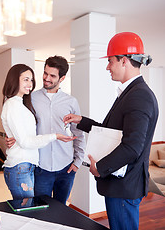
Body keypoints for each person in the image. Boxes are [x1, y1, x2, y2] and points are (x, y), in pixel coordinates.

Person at [63, 32, 158, 230]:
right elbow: (111, 132)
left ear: (124, 61)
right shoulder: (132, 93)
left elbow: (132, 146)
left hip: (124, 187)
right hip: (121, 185)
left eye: (110, 61)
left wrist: (101, 167)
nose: (108, 67)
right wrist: (82, 121)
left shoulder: (139, 96)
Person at [6, 56, 86, 205]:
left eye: (52, 76)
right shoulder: (30, 98)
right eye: (45, 73)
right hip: (40, 167)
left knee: (61, 209)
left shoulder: (71, 102)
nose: (46, 78)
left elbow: (78, 133)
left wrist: (78, 161)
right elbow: (21, 124)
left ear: (62, 78)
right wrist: (12, 136)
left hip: (66, 167)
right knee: (40, 210)